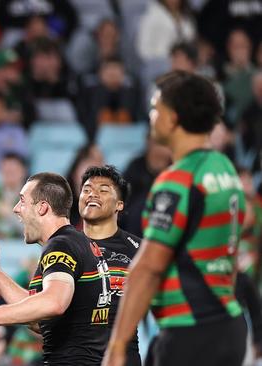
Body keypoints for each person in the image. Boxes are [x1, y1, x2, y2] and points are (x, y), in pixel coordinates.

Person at [102, 71, 247, 366]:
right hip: (229, 325)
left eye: (156, 108)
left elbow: (148, 268)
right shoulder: (225, 169)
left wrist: (117, 347)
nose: (152, 115)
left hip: (189, 334)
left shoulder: (177, 181)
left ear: (172, 117)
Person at [0, 172, 111, 365]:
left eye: (22, 201)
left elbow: (54, 303)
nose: (16, 209)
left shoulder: (61, 245)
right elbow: (39, 319)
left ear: (42, 208)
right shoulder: (77, 243)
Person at [78, 165, 141, 365]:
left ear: (119, 205)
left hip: (123, 357)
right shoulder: (61, 246)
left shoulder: (139, 249)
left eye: (103, 190)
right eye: (86, 190)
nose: (92, 194)